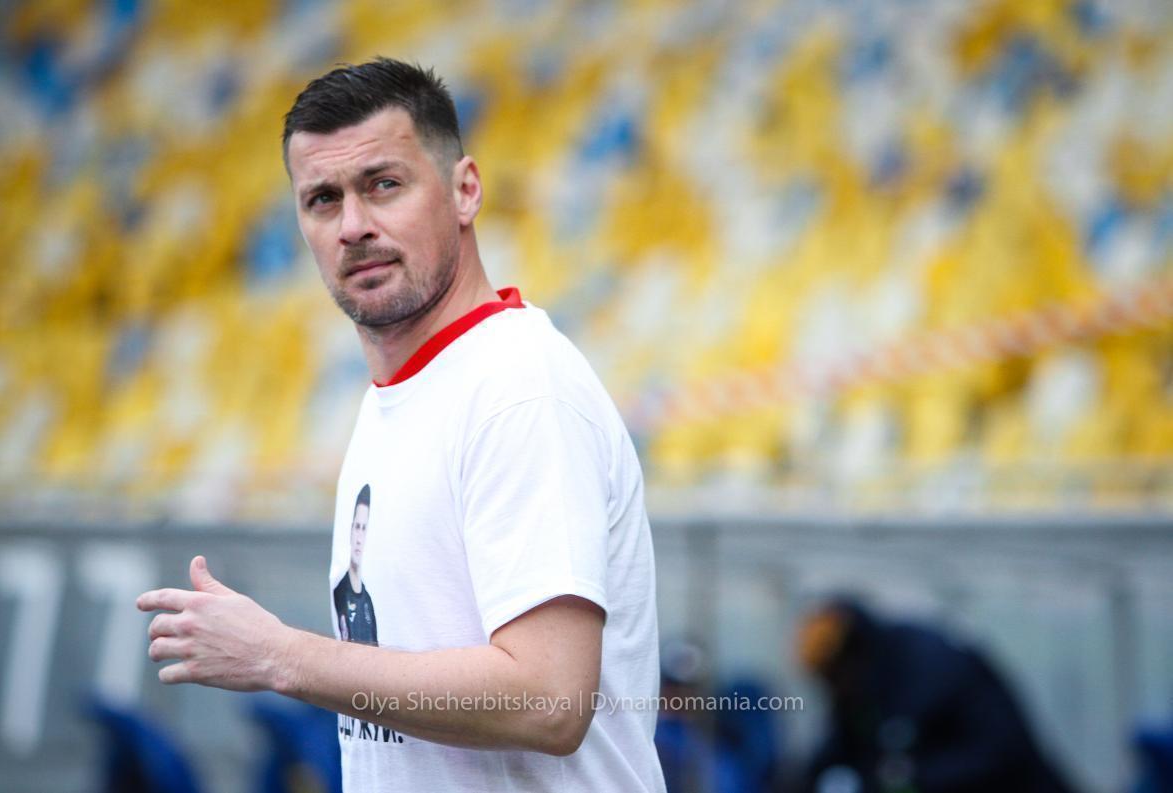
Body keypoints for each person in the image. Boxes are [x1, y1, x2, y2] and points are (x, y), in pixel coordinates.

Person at [137, 56, 665, 793]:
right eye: (323, 199)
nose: (354, 226)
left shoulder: (518, 387)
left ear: (465, 190)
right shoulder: (403, 395)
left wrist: (282, 656)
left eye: (383, 184)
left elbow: (548, 700)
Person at [796, 597, 1078, 793]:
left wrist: (905, 778)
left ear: (850, 659)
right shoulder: (865, 687)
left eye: (832, 679)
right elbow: (837, 750)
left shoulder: (931, 670)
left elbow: (1000, 753)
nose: (832, 691)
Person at [332, 484, 377, 645]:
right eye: (357, 527)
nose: (359, 539)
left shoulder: (368, 602)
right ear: (351, 530)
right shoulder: (340, 592)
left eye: (364, 529)